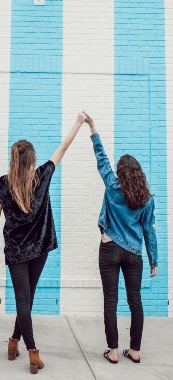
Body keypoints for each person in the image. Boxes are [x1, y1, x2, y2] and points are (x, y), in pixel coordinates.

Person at [0, 111, 87, 374]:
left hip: (16, 251)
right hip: (40, 248)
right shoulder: (42, 175)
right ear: (32, 159)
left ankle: (15, 343)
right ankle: (31, 351)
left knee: (23, 299)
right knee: (26, 298)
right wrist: (78, 122)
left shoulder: (3, 184)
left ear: (13, 159)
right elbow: (63, 147)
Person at [84, 113, 158, 364]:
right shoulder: (147, 198)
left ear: (121, 173)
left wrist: (93, 127)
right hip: (135, 253)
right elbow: (149, 230)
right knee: (135, 301)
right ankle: (134, 351)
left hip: (109, 247)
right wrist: (154, 260)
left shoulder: (113, 186)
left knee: (111, 301)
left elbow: (101, 158)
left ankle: (113, 352)